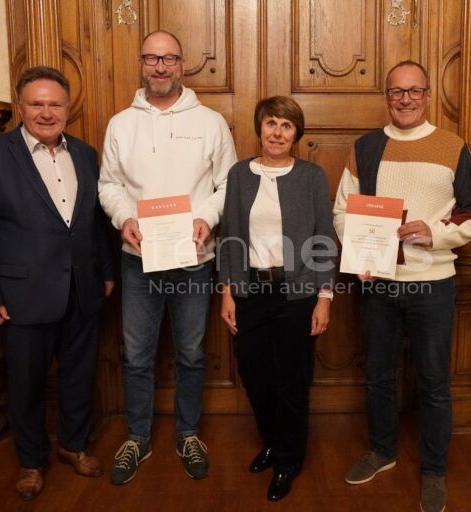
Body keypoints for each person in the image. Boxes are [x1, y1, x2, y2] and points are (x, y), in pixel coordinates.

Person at [333, 60, 471, 512]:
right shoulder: (365, 147)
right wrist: (360, 252)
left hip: (432, 283)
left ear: (427, 95)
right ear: (387, 96)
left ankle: (434, 471)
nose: (405, 99)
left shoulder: (451, 146)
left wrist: (435, 233)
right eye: (396, 91)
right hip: (378, 283)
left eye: (414, 91)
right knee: (379, 375)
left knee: (434, 382)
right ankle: (382, 451)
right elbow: (343, 211)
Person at [0, 66, 114, 501]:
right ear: (21, 107)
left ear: (67, 108)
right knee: (25, 384)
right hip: (21, 296)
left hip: (81, 290)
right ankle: (30, 460)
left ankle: (74, 444)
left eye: (55, 104)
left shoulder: (85, 154)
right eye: (36, 103)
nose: (47, 112)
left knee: (79, 376)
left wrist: (104, 271)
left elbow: (93, 221)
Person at [99, 30, 237, 485]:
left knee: (192, 353)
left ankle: (188, 433)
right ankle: (137, 436)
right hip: (137, 257)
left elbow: (226, 185)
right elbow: (109, 185)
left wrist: (207, 220)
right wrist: (123, 218)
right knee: (136, 354)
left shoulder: (211, 122)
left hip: (193, 257)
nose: (161, 67)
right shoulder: (121, 124)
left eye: (170, 59)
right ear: (142, 64)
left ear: (182, 65)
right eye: (152, 59)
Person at [218, 96, 336, 501]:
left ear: (296, 134)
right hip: (249, 290)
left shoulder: (312, 177)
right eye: (271, 124)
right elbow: (229, 235)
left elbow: (324, 238)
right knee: (255, 374)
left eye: (286, 126)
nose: (278, 133)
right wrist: (227, 292)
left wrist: (324, 297)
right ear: (260, 128)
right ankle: (271, 439)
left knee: (292, 379)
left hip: (297, 292)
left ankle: (288, 458)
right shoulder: (239, 174)